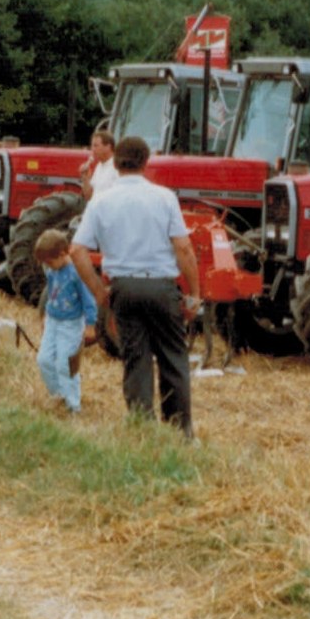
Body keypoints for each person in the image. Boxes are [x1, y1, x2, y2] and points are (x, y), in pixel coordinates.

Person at [70, 136, 201, 438]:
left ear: (114, 163)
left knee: (136, 358)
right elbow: (183, 248)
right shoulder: (165, 198)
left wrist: (100, 294)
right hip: (161, 286)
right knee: (172, 356)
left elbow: (77, 251)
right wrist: (194, 294)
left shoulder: (101, 200)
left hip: (124, 288)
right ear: (146, 162)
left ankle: (143, 431)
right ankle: (180, 432)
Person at [34, 228, 97, 413]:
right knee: (43, 359)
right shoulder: (52, 270)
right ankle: (58, 396)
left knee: (65, 364)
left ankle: (73, 406)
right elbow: (52, 292)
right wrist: (46, 313)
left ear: (62, 254)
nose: (47, 266)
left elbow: (88, 299)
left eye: (49, 262)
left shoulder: (77, 273)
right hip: (53, 321)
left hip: (70, 325)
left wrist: (91, 324)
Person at [82, 129, 119, 200]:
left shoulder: (117, 167)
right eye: (92, 146)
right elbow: (89, 197)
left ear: (108, 147)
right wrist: (85, 179)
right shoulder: (99, 166)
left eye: (96, 146)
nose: (92, 149)